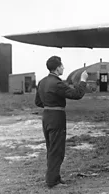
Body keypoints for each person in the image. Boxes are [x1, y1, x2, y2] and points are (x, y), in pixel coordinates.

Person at [35, 56, 88, 189]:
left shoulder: (42, 82)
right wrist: (83, 80)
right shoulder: (57, 83)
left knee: (51, 148)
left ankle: (54, 177)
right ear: (57, 67)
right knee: (57, 150)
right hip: (56, 117)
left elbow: (38, 102)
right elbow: (77, 94)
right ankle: (52, 181)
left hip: (46, 117)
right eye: (62, 66)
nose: (63, 68)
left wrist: (49, 105)